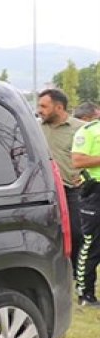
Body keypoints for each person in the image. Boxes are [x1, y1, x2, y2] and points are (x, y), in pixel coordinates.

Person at [38, 89, 85, 268]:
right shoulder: (37, 128)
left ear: (58, 107)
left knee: (76, 232)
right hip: (45, 191)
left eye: (44, 106)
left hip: (72, 190)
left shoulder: (80, 129)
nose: (39, 110)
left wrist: (85, 177)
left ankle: (73, 270)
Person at [71, 109, 100, 307]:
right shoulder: (89, 131)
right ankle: (85, 293)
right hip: (95, 191)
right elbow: (78, 161)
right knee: (92, 243)